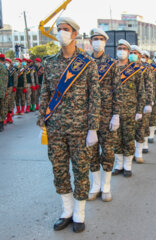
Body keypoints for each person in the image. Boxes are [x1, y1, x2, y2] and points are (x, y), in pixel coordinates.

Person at [36, 17, 100, 233]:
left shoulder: (87, 63)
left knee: (81, 170)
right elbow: (45, 92)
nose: (61, 32)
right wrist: (42, 122)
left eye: (66, 29)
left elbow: (95, 97)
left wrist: (93, 128)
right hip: (55, 127)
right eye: (59, 29)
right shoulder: (50, 62)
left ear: (74, 34)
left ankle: (80, 214)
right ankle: (67, 211)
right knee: (59, 170)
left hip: (80, 128)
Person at [87, 28, 121, 202]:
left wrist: (116, 115)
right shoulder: (83, 62)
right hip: (88, 117)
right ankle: (96, 185)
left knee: (107, 152)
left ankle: (106, 186)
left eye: (101, 39)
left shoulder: (112, 64)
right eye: (95, 38)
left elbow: (117, 91)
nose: (97, 41)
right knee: (91, 153)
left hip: (107, 115)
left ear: (105, 42)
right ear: (90, 41)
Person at [112, 39, 145, 177]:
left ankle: (127, 166)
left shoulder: (135, 70)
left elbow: (141, 91)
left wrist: (139, 110)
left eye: (124, 49)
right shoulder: (111, 67)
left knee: (129, 138)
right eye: (119, 48)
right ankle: (118, 164)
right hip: (114, 111)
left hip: (130, 111)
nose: (122, 51)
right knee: (116, 139)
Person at [130, 45, 152, 164]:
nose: (132, 54)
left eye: (135, 52)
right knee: (129, 130)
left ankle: (138, 153)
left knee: (140, 128)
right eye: (131, 52)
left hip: (141, 103)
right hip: (128, 104)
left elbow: (149, 86)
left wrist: (148, 103)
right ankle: (129, 153)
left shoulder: (146, 68)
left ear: (139, 55)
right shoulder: (125, 66)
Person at [5, 58, 17, 124]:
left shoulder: (13, 70)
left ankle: (9, 116)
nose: (6, 63)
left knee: (11, 101)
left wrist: (15, 86)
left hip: (11, 87)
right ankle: (6, 117)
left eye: (8, 62)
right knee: (5, 102)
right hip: (5, 87)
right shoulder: (4, 69)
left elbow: (15, 79)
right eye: (5, 62)